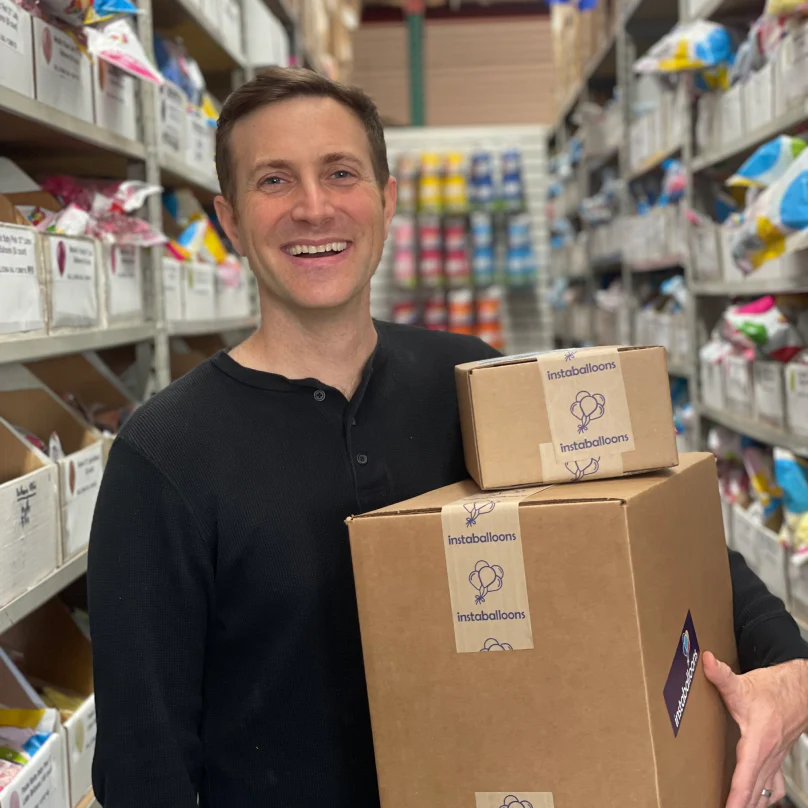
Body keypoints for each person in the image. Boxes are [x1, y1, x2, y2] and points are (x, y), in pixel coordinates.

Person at [88, 67, 808, 808]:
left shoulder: (476, 380)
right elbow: (145, 766)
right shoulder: (166, 455)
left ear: (387, 200)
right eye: (274, 181)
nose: (313, 207)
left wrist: (788, 676)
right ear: (231, 219)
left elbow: (670, 541)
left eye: (340, 172)